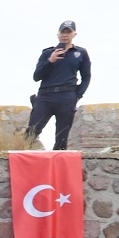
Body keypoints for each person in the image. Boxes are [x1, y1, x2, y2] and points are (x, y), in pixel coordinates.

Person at [27, 20, 91, 151]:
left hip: (67, 97)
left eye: (68, 32)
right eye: (63, 32)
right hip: (45, 96)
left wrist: (77, 96)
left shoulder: (80, 53)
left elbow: (86, 76)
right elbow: (36, 76)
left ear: (74, 34)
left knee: (62, 137)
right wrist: (50, 61)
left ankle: (58, 167)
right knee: (32, 132)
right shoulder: (47, 53)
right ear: (58, 34)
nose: (65, 35)